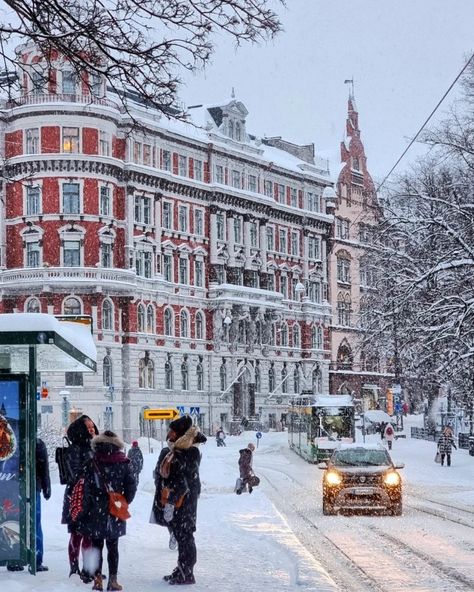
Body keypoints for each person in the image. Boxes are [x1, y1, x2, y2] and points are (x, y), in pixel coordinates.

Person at [74, 430, 137, 591]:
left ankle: (97, 580)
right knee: (113, 546)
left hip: (95, 509)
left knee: (96, 546)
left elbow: (85, 489)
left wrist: (86, 509)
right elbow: (131, 486)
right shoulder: (123, 462)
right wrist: (122, 501)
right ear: (117, 445)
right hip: (114, 509)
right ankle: (113, 581)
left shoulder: (92, 462)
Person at [151, 415, 207, 586]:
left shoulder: (189, 451)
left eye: (172, 431)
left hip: (183, 503)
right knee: (182, 536)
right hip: (179, 502)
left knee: (185, 536)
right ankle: (182, 568)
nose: (169, 433)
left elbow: (183, 481)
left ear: (180, 433)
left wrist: (170, 502)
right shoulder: (179, 449)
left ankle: (186, 572)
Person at [61, 414, 98, 582]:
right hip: (77, 497)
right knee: (77, 534)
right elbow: (74, 473)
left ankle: (88, 570)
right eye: (88, 427)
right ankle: (74, 570)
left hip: (92, 497)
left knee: (90, 535)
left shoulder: (96, 447)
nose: (91, 429)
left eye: (92, 426)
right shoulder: (75, 448)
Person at [35, 438, 51, 571]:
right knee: (35, 522)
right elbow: (44, 468)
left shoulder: (13, 438)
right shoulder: (37, 443)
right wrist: (46, 487)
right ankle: (36, 559)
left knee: (13, 519)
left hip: (13, 486)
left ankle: (15, 557)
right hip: (34, 487)